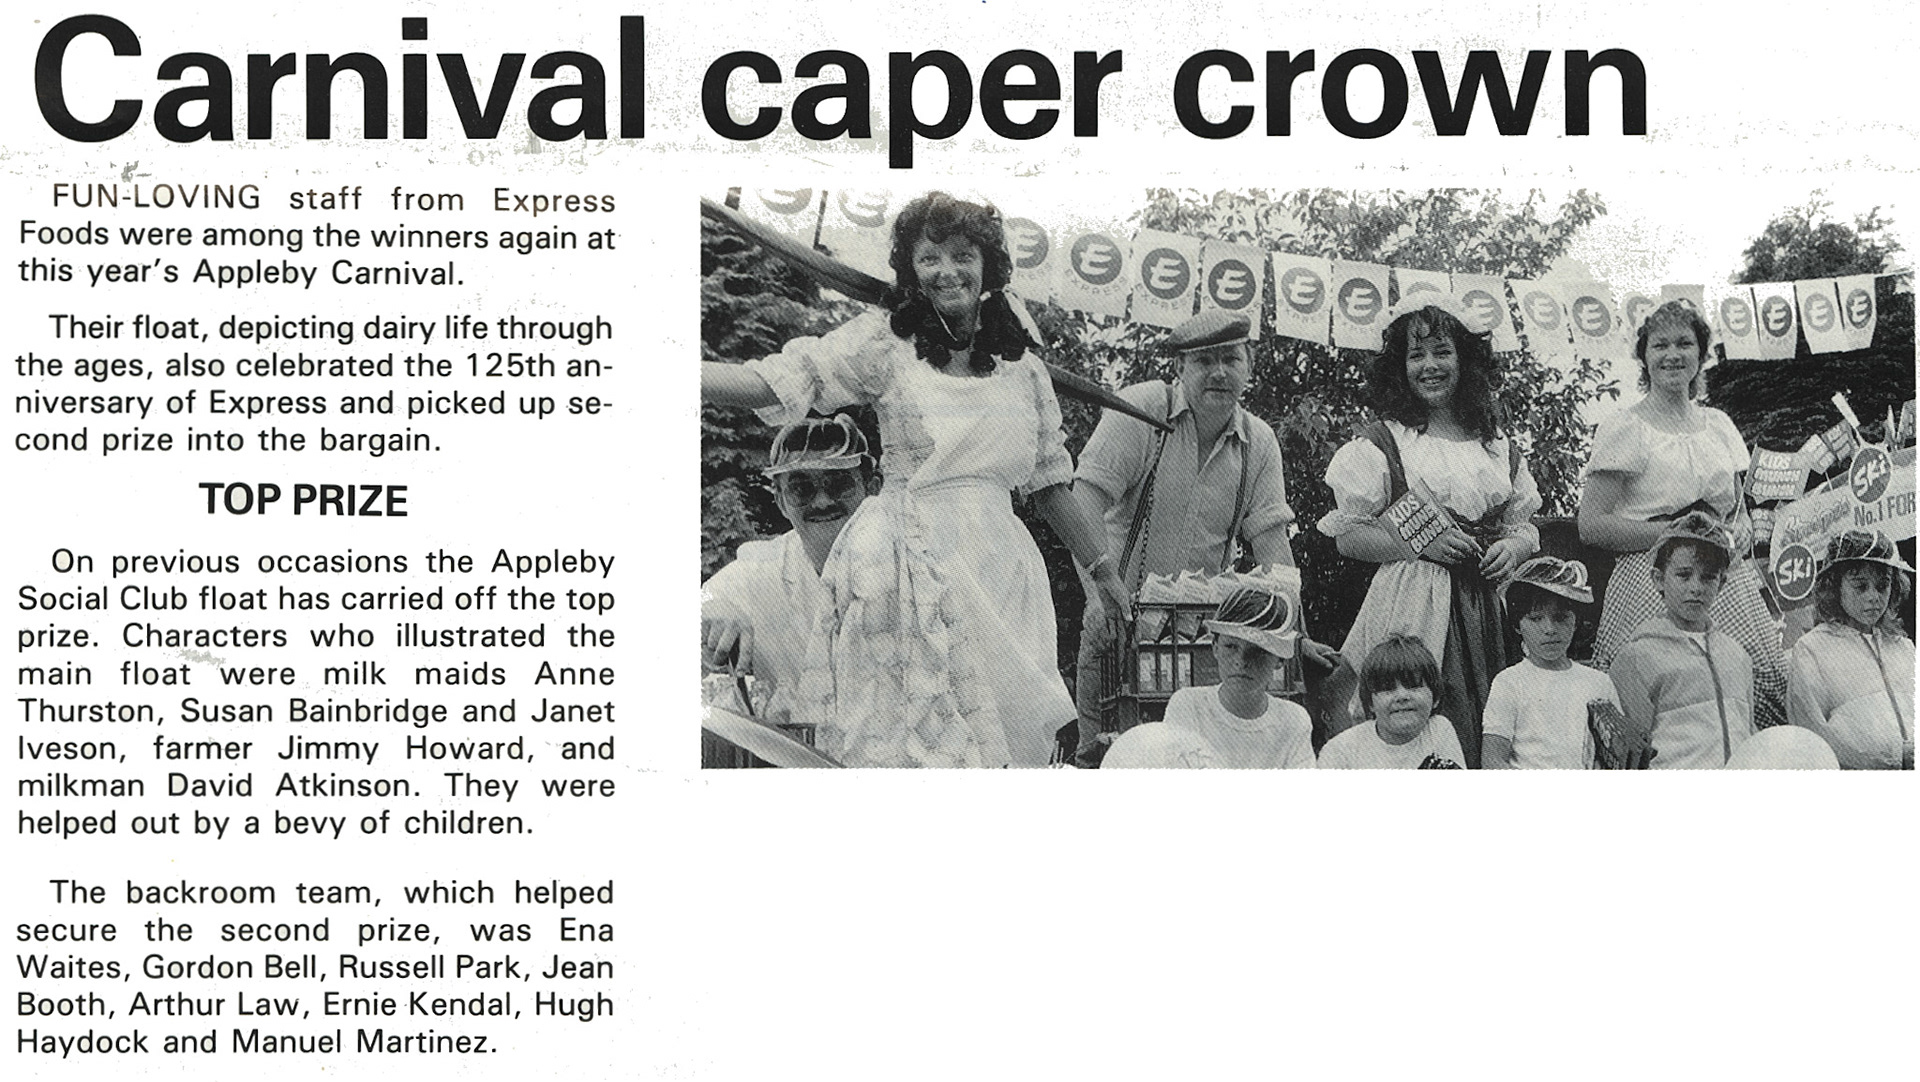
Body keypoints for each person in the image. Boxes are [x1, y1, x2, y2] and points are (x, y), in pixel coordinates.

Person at [700, 192, 1129, 767]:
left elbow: (1051, 485)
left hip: (1004, 569)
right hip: (909, 564)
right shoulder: (886, 345)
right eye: (930, 258)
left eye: (962, 256)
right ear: (911, 271)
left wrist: (1103, 572)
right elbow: (779, 381)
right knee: (920, 739)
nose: (947, 271)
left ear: (989, 267)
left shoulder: (1024, 370)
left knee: (1012, 735)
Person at [1071, 310, 1332, 766]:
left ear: (1249, 366)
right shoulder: (1142, 410)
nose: (1219, 372)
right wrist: (1096, 597)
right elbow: (1084, 501)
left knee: (1201, 767)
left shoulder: (1259, 442)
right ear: (1179, 367)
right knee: (1107, 762)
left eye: (1231, 359)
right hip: (1118, 631)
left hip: (1201, 645)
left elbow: (1273, 548)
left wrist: (1295, 634)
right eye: (1204, 361)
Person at [1317, 299, 1541, 766]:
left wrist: (1513, 546)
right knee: (1409, 718)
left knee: (1490, 727)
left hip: (1485, 609)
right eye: (1416, 355)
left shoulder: (1495, 446)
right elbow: (1348, 537)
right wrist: (1419, 544)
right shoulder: (1386, 441)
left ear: (1465, 359)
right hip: (1412, 603)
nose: (1430, 365)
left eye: (1442, 352)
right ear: (1399, 367)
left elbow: (1522, 525)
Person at [1579, 298, 1787, 728]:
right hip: (1653, 576)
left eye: (1684, 344)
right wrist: (1669, 534)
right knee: (1660, 695)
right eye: (1660, 345)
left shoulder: (1719, 425)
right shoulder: (1626, 427)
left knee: (1751, 685)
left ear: (1700, 354)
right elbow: (1591, 525)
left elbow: (1738, 508)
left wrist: (1741, 529)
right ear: (1644, 356)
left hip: (1720, 578)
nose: (1672, 355)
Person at [701, 415, 873, 729]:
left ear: (872, 488)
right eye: (801, 489)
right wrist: (709, 608)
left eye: (838, 484)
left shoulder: (911, 566)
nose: (822, 501)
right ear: (780, 501)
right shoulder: (760, 571)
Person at [1608, 512, 1756, 769]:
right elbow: (1628, 755)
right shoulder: (1637, 657)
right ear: (1658, 579)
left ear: (1722, 582)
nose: (1696, 587)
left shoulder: (1737, 656)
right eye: (1684, 575)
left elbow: (1748, 731)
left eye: (1708, 577)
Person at [1786, 529, 1914, 769]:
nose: (1874, 597)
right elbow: (1812, 734)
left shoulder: (1904, 647)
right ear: (1835, 586)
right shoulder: (1812, 649)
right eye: (1860, 586)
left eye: (1882, 585)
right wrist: (1894, 758)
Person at [1153, 585, 1315, 769]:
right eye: (1231, 647)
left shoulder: (1293, 721)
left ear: (1279, 659)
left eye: (1258, 651)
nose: (1241, 661)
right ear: (1215, 647)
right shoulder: (1189, 706)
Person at [1480, 557, 1619, 769]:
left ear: (1576, 622)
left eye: (1561, 618)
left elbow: (1615, 755)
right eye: (1536, 618)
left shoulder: (1598, 682)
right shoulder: (1509, 682)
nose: (1550, 629)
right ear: (1517, 625)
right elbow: (1492, 760)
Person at [1319, 633, 1466, 769]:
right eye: (1388, 689)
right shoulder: (1340, 751)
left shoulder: (1438, 730)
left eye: (1413, 686)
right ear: (1370, 703)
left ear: (1435, 698)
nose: (1402, 696)